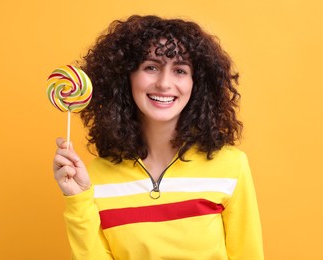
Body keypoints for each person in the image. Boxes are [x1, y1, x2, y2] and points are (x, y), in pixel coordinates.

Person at [53, 15, 264, 259]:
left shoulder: (231, 166)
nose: (164, 83)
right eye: (151, 67)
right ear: (125, 77)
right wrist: (77, 198)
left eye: (180, 70)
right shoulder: (95, 177)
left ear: (197, 83)